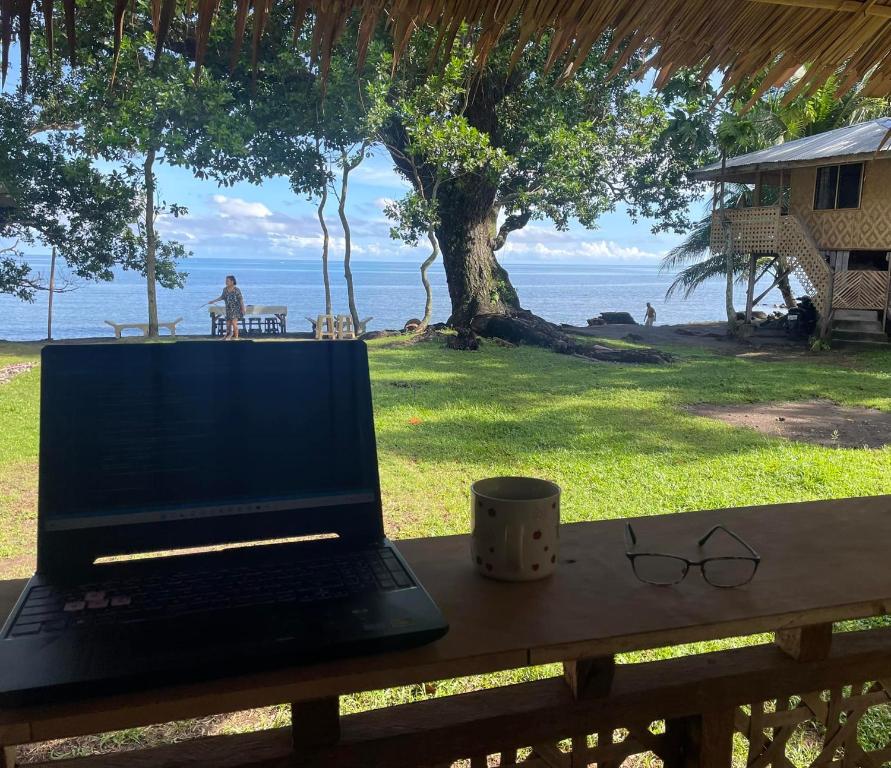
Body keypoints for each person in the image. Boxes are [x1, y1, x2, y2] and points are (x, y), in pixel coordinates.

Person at [205, 275, 246, 340]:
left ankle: (236, 337)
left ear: (232, 282)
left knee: (234, 323)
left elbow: (241, 299)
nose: (226, 282)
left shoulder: (237, 290)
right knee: (228, 324)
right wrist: (213, 301)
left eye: (227, 281)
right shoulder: (225, 289)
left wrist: (243, 309)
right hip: (228, 309)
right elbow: (222, 297)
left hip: (236, 309)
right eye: (226, 281)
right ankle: (228, 335)